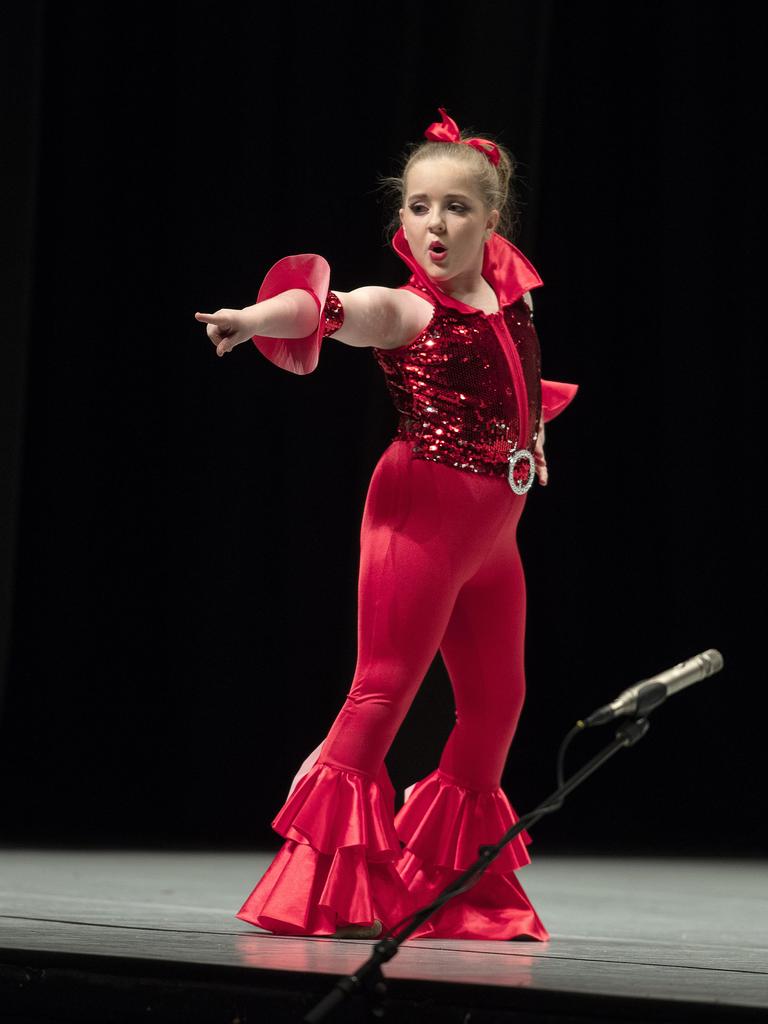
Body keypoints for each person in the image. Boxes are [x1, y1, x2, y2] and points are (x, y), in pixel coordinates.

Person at [194, 108, 578, 942]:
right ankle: (318, 887)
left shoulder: (511, 296)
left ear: (492, 218)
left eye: (455, 208)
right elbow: (332, 310)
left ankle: (449, 886)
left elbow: (520, 372)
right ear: (400, 216)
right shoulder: (412, 309)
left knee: (498, 703)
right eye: (417, 207)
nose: (434, 225)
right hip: (421, 516)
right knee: (384, 692)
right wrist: (254, 320)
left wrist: (532, 437)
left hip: (494, 538)